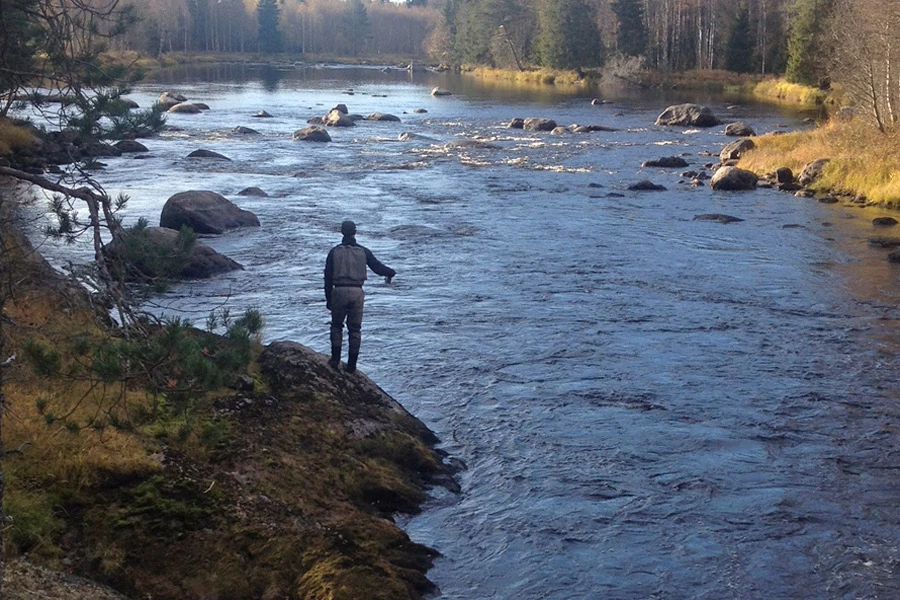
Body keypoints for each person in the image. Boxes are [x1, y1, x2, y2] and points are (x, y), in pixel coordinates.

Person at [324, 220, 396, 373]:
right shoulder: (364, 251)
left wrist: (328, 299)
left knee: (336, 326)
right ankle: (352, 366)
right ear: (355, 232)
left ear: (342, 232)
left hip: (339, 291)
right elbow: (377, 268)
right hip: (357, 292)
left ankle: (335, 360)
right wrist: (390, 272)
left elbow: (327, 277)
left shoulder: (334, 252)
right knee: (355, 329)